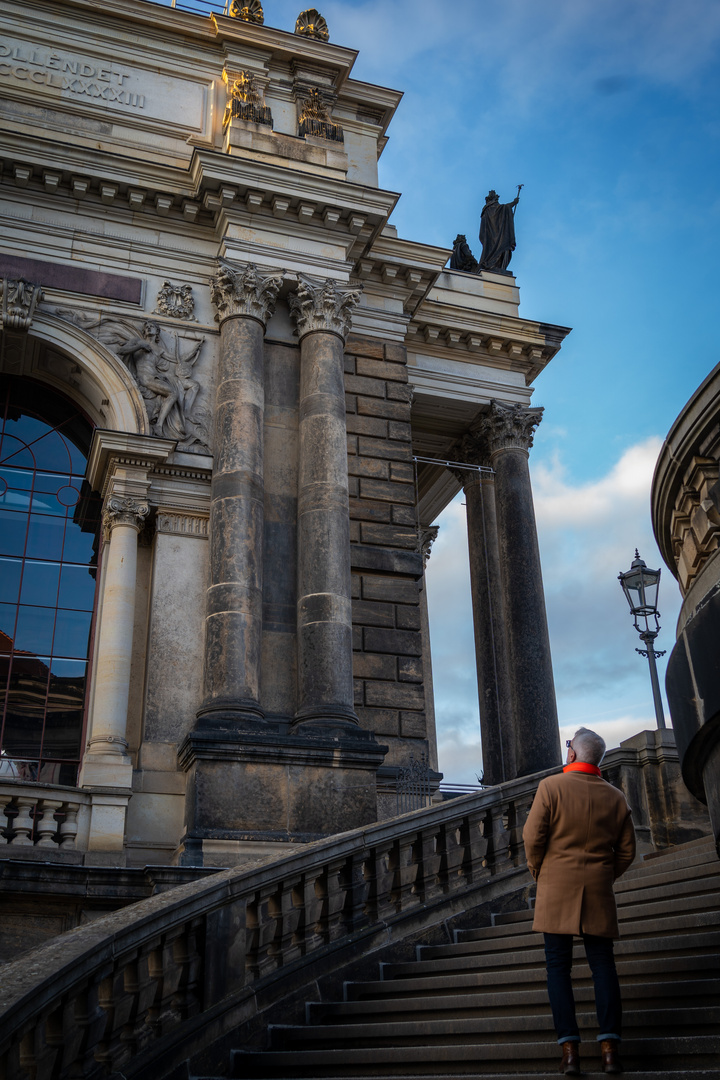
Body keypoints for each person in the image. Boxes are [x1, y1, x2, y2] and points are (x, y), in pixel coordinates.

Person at [523, 727, 636, 1076]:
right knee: (604, 968)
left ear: (572, 754)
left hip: (555, 889)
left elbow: (532, 837)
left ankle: (570, 1052)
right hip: (598, 891)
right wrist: (603, 875)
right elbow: (628, 851)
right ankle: (609, 1052)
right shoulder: (616, 796)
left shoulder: (551, 787)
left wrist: (540, 872)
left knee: (558, 969)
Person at [478, 187, 521, 271]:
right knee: (498, 249)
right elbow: (502, 209)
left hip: (490, 237)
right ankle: (493, 265)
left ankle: (493, 264)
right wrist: (514, 203)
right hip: (497, 237)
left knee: (491, 250)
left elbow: (501, 210)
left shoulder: (486, 210)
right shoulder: (492, 207)